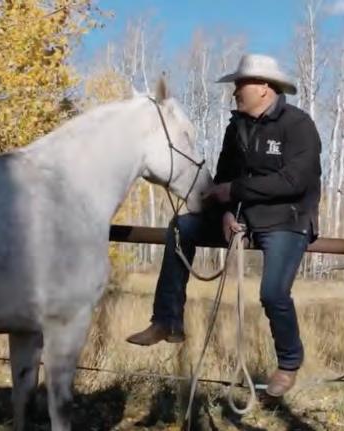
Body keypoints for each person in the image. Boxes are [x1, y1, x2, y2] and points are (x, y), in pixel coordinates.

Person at [126, 53, 322, 397]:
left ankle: (289, 362)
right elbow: (224, 177)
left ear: (264, 87)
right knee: (181, 227)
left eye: (240, 84)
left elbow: (294, 181)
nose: (234, 91)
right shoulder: (236, 127)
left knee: (273, 293)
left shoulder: (298, 125)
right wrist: (226, 212)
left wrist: (233, 191)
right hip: (241, 216)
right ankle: (166, 320)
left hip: (286, 219)